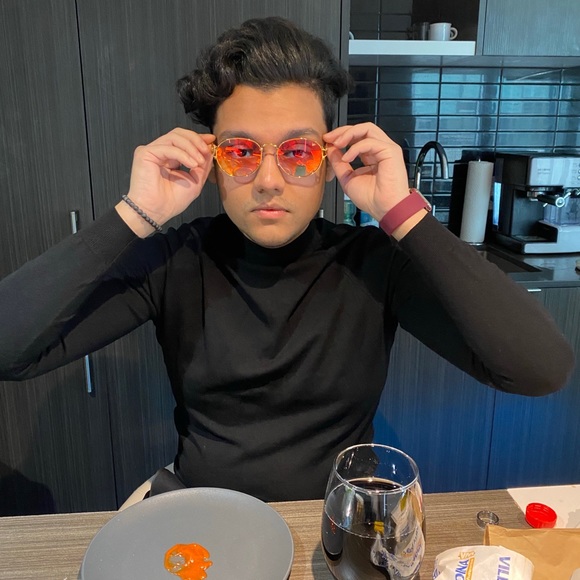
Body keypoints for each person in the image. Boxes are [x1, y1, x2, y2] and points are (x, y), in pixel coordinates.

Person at [0, 17, 575, 503]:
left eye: (298, 151)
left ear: (329, 159)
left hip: (339, 518)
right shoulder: (174, 261)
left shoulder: (373, 263)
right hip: (203, 517)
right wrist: (135, 214)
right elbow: (8, 350)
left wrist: (403, 214)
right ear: (213, 160)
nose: (269, 180)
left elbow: (538, 368)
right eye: (241, 151)